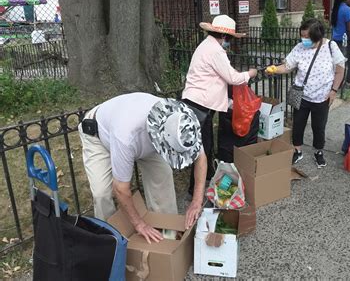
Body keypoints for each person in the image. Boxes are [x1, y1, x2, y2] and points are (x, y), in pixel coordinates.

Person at [79, 93, 206, 243]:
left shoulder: (182, 123)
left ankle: (169, 236)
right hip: (98, 135)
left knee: (163, 177)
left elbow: (201, 159)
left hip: (140, 134)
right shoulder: (126, 136)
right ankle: (111, 241)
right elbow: (120, 188)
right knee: (102, 194)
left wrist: (197, 202)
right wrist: (140, 224)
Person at [182, 15, 258, 194]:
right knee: (201, 148)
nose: (229, 43)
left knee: (205, 145)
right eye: (229, 39)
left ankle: (207, 178)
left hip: (198, 103)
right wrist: (250, 73)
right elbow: (233, 78)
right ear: (224, 37)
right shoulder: (215, 50)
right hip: (199, 104)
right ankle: (195, 190)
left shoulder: (207, 45)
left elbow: (221, 73)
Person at [266, 19, 345, 167]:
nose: (304, 40)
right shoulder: (299, 47)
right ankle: (297, 150)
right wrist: (275, 69)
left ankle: (318, 151)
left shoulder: (330, 47)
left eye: (307, 37)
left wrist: (333, 91)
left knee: (319, 126)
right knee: (298, 124)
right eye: (302, 36)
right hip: (301, 96)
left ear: (317, 36)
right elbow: (288, 66)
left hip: (322, 96)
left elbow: (340, 70)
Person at [331, 0, 350, 88]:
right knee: (348, 60)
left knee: (338, 61)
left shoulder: (337, 8)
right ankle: (348, 80)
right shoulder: (347, 10)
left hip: (336, 39)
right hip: (345, 40)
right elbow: (349, 29)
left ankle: (338, 81)